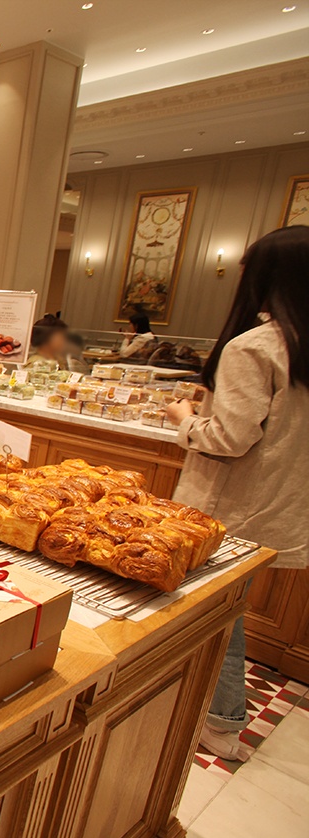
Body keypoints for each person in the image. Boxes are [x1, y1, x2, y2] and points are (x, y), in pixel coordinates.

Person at [165, 225, 309, 761]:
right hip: (282, 501)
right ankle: (213, 709)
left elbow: (228, 439)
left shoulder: (255, 346)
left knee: (217, 607)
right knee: (229, 604)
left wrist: (184, 418)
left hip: (234, 505)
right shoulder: (298, 344)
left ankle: (221, 719)